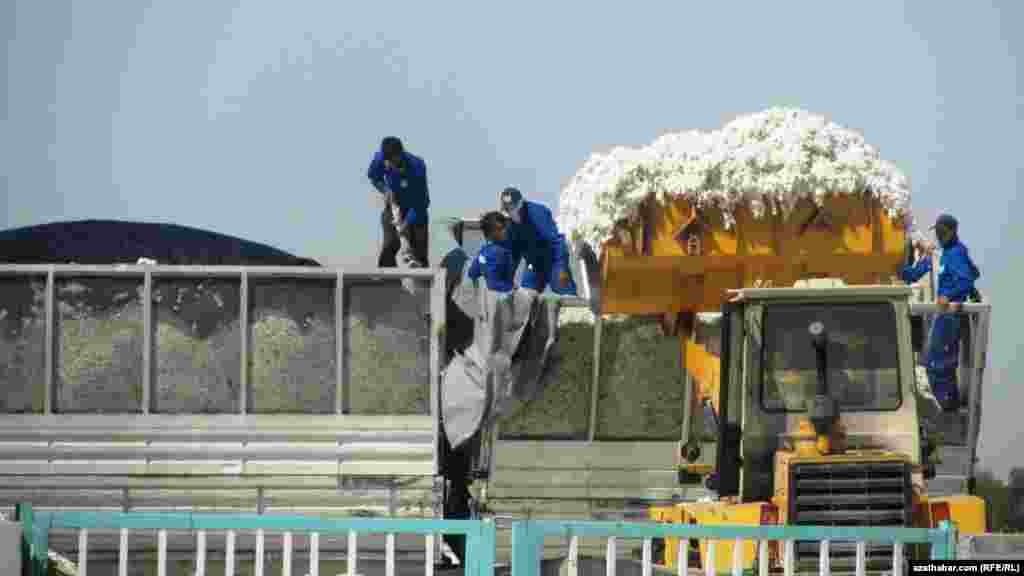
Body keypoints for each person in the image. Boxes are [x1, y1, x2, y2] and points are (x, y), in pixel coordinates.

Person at [899, 213, 981, 411]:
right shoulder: (938, 255)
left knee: (941, 363)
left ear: (952, 232)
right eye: (936, 232)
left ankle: (947, 406)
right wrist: (897, 268)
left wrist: (950, 295)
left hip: (949, 316)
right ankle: (942, 403)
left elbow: (968, 278)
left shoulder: (956, 253)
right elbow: (912, 274)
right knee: (933, 362)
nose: (938, 235)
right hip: (937, 315)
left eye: (941, 231)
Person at [497, 187, 577, 295]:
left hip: (554, 261)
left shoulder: (538, 213)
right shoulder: (510, 224)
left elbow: (557, 243)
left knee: (565, 291)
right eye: (506, 209)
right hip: (533, 264)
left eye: (511, 208)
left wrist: (562, 268)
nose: (509, 212)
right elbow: (513, 254)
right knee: (525, 297)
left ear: (520, 203)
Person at [367, 137, 430, 268]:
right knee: (391, 243)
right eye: (386, 161)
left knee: (419, 251)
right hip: (394, 207)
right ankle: (387, 282)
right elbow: (373, 177)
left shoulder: (417, 166)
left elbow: (421, 202)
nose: (387, 164)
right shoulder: (381, 158)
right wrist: (385, 190)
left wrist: (406, 223)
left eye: (391, 161)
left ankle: (422, 282)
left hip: (417, 210)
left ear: (399, 155)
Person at [467, 211, 516, 293]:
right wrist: (512, 288)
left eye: (505, 227)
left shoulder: (482, 252)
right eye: (500, 228)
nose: (505, 231)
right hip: (501, 297)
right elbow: (493, 284)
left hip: (486, 298)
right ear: (491, 232)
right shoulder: (502, 253)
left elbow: (472, 273)